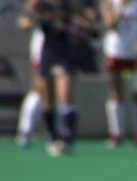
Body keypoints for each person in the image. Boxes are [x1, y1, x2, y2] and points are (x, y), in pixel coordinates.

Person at [25, 0, 83, 155]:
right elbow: (26, 19)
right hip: (48, 52)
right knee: (48, 100)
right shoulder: (40, 4)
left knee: (65, 96)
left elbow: (78, 12)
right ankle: (52, 137)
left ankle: (68, 138)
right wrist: (36, 18)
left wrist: (58, 17)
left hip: (65, 51)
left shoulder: (67, 4)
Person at [100, 0, 137, 147]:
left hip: (136, 54)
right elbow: (109, 24)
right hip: (116, 51)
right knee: (116, 92)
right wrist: (121, 7)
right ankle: (117, 134)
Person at [15, 10, 46, 148]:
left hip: (63, 48)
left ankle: (54, 132)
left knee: (57, 92)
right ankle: (25, 130)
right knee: (38, 88)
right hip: (42, 48)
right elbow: (23, 23)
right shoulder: (38, 4)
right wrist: (37, 19)